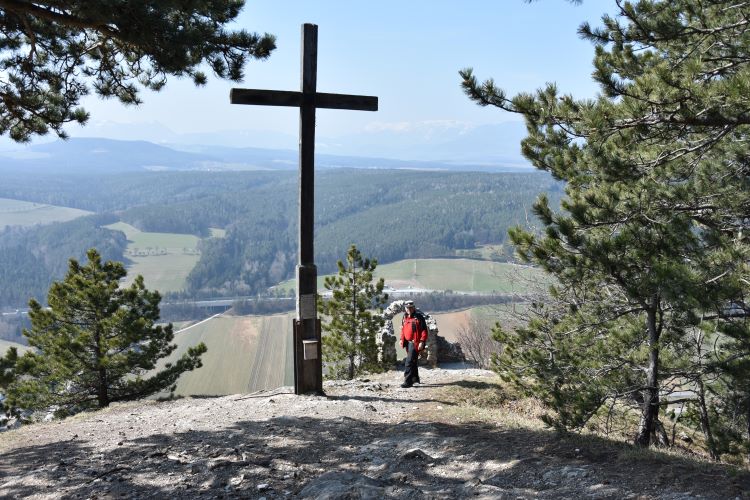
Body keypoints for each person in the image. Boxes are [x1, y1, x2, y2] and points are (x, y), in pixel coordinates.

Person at [400, 300, 428, 388]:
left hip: (415, 343)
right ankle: (415, 379)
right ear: (405, 308)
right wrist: (401, 339)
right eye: (407, 308)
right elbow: (403, 329)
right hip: (407, 343)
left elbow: (424, 330)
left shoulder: (419, 317)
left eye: (411, 308)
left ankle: (408, 381)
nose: (409, 309)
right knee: (413, 361)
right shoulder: (404, 317)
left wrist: (422, 342)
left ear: (414, 308)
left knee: (408, 362)